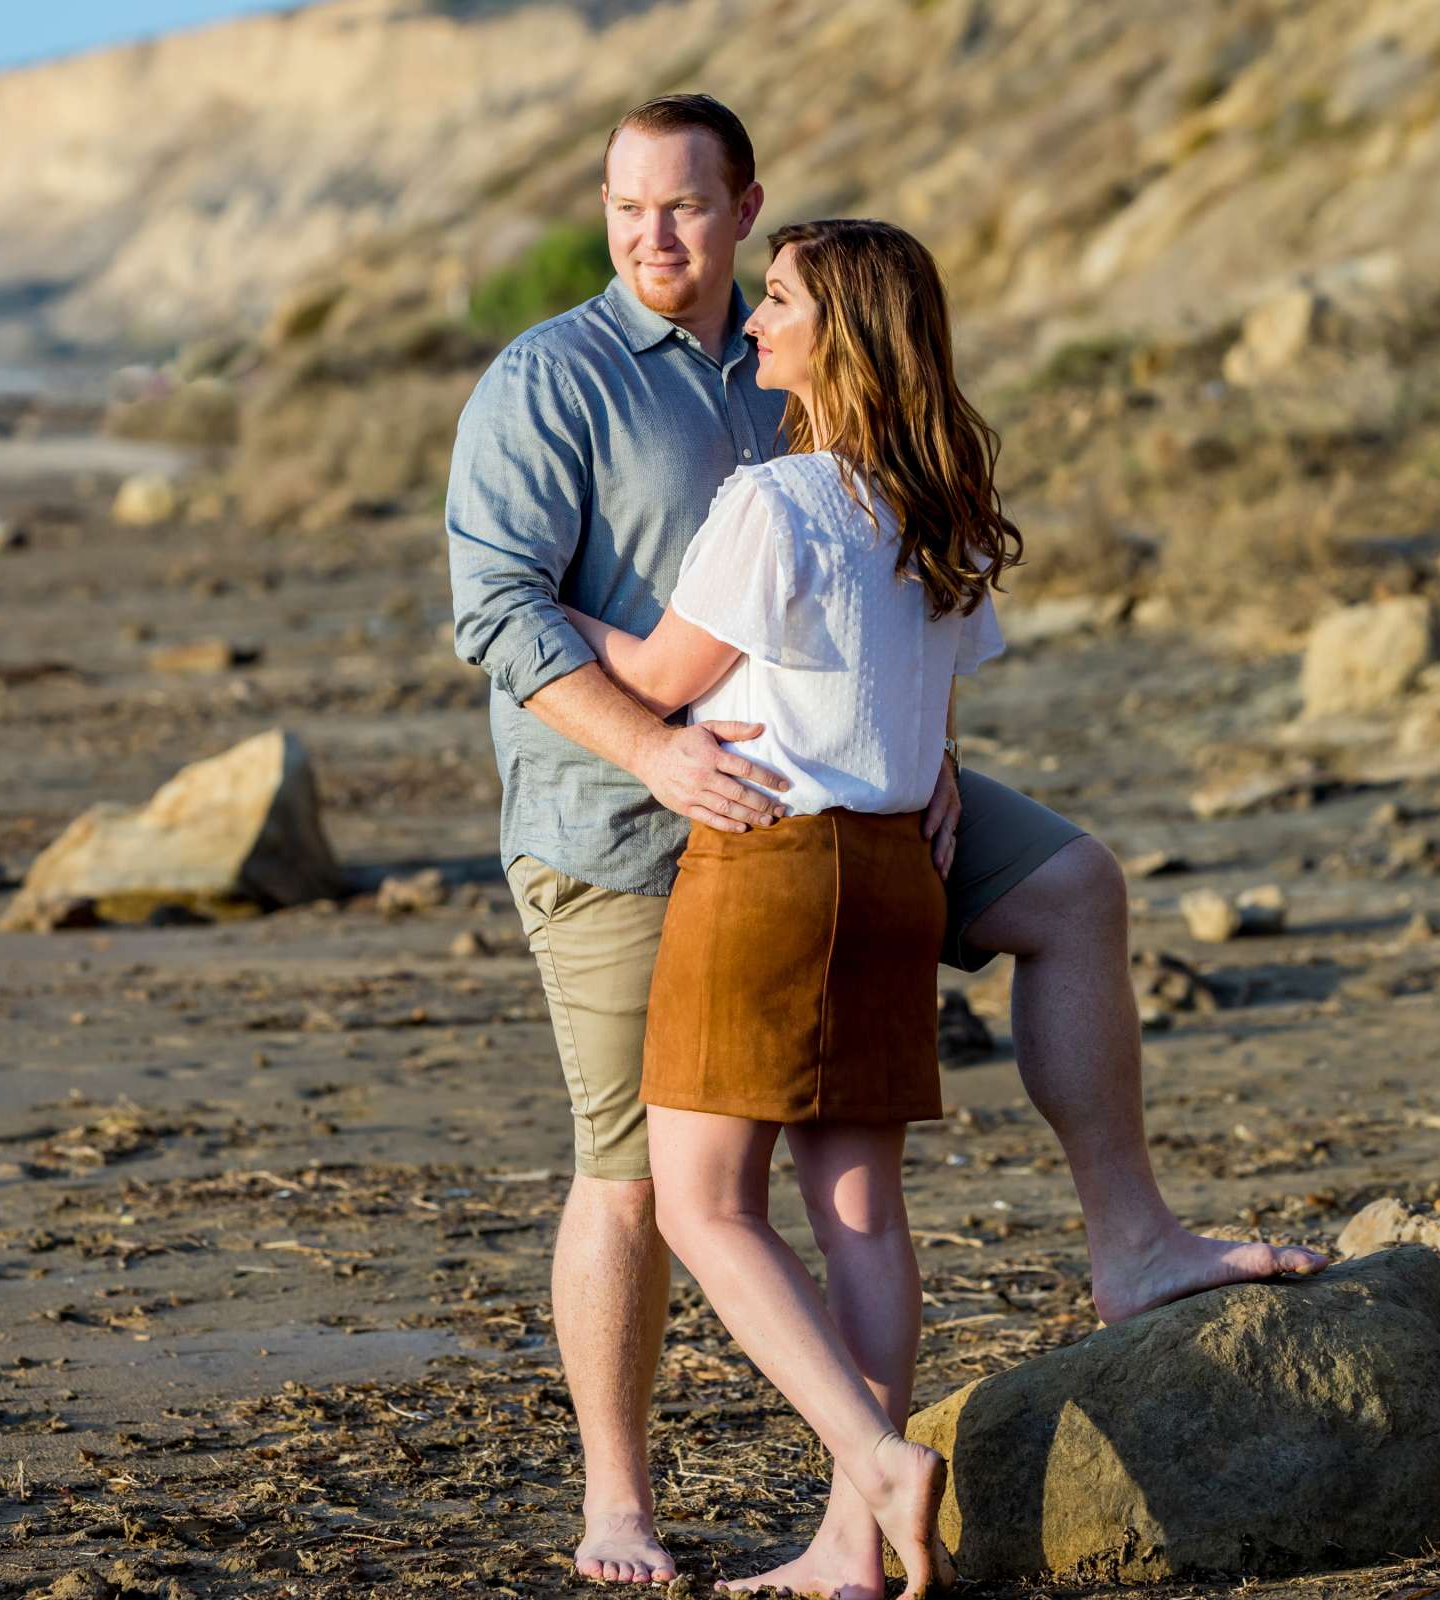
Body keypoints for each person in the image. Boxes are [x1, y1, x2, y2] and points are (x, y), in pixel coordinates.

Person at [443, 94, 1329, 1587]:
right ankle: (620, 1504)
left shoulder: (806, 355)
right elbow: (495, 609)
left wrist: (939, 759)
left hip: (841, 810)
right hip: (616, 811)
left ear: (745, 208)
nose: (651, 234)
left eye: (682, 206)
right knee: (637, 1178)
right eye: (622, 205)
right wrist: (654, 747)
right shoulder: (553, 379)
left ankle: (1123, 1251)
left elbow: (879, 590)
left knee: (1072, 885)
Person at [569, 215, 1004, 1599]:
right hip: (896, 868)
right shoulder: (939, 499)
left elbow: (653, 673)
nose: (754, 323)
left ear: (843, 336)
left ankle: (878, 1463)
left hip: (770, 864)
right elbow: (932, 703)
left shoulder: (777, 501)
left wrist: (537, 611)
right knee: (861, 1204)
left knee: (702, 1205)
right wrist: (929, 771)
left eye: (779, 300)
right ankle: (847, 1553)